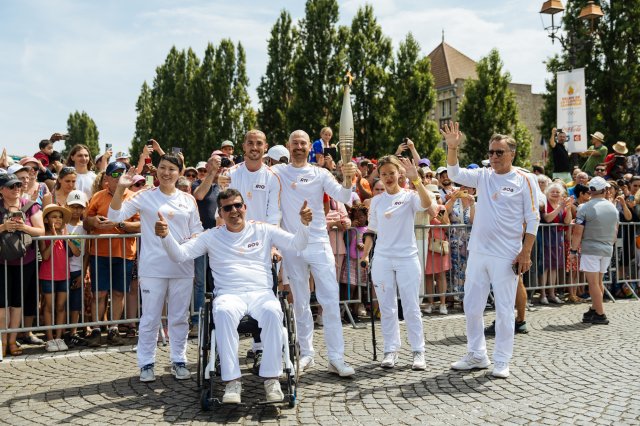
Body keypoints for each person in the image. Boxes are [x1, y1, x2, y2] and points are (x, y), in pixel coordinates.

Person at [156, 188, 311, 403]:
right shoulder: (211, 236)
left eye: (238, 205)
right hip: (229, 293)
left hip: (261, 292)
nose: (234, 211)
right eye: (227, 208)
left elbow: (297, 244)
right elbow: (180, 254)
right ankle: (232, 382)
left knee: (274, 311)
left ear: (245, 207)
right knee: (224, 312)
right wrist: (165, 236)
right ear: (220, 213)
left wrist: (304, 225)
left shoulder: (263, 230)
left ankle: (271, 379)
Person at [443, 122, 540, 379]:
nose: (494, 157)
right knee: (472, 306)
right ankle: (477, 354)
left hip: (507, 254)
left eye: (500, 152)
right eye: (491, 152)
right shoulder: (483, 176)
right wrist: (452, 147)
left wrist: (525, 252)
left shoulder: (525, 180)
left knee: (505, 309)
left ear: (512, 154)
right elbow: (453, 172)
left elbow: (533, 219)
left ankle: (502, 360)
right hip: (478, 252)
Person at [108, 154, 204, 382]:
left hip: (182, 266)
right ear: (156, 171)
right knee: (150, 317)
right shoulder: (145, 196)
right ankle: (146, 363)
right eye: (162, 168)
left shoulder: (188, 200)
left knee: (179, 317)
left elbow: (198, 230)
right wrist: (121, 189)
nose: (166, 172)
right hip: (153, 267)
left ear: (179, 172)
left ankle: (178, 359)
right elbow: (115, 215)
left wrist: (189, 246)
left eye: (171, 169)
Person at [271, 129, 357, 377]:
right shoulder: (278, 173)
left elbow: (344, 196)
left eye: (303, 143)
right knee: (299, 302)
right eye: (295, 143)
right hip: (293, 246)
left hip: (319, 243)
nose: (299, 147)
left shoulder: (321, 174)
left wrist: (348, 178)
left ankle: (336, 358)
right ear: (288, 146)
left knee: (329, 300)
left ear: (311, 147)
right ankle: (306, 353)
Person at [360, 155, 433, 370]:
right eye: (384, 174)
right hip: (382, 259)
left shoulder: (410, 196)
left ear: (399, 173)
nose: (388, 177)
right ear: (379, 176)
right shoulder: (376, 201)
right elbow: (371, 231)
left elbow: (428, 204)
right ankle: (391, 350)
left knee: (411, 307)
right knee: (387, 307)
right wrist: (365, 255)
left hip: (407, 258)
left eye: (392, 173)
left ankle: (418, 351)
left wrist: (416, 180)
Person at [84, 161, 140, 347]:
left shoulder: (135, 197)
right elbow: (86, 222)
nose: (118, 178)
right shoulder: (98, 196)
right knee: (98, 293)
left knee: (118, 293)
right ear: (106, 178)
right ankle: (97, 329)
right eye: (114, 174)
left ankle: (114, 329)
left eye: (121, 174)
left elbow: (141, 224)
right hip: (99, 252)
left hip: (124, 253)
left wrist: (119, 225)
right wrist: (94, 222)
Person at [0, 174, 45, 357]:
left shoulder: (30, 205)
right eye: (11, 186)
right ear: (1, 190)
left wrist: (23, 228)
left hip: (24, 261)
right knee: (2, 305)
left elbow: (41, 231)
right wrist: (3, 227)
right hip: (1, 262)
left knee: (17, 303)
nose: (16, 188)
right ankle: (3, 342)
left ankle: (12, 341)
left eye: (18, 185)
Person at [570, 177, 619, 325]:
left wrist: (572, 251)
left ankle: (600, 313)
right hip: (607, 248)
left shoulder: (584, 208)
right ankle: (595, 308)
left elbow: (578, 233)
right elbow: (615, 232)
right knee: (598, 282)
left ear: (590, 191)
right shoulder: (613, 207)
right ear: (605, 190)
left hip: (591, 248)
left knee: (593, 283)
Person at [39, 205, 80, 352]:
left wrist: (66, 238)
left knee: (61, 307)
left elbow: (77, 252)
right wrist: (55, 239)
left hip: (64, 274)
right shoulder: (44, 233)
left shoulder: (65, 232)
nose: (57, 219)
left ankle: (59, 337)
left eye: (59, 216)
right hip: (47, 275)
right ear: (46, 219)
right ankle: (49, 338)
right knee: (49, 307)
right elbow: (44, 256)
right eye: (53, 216)